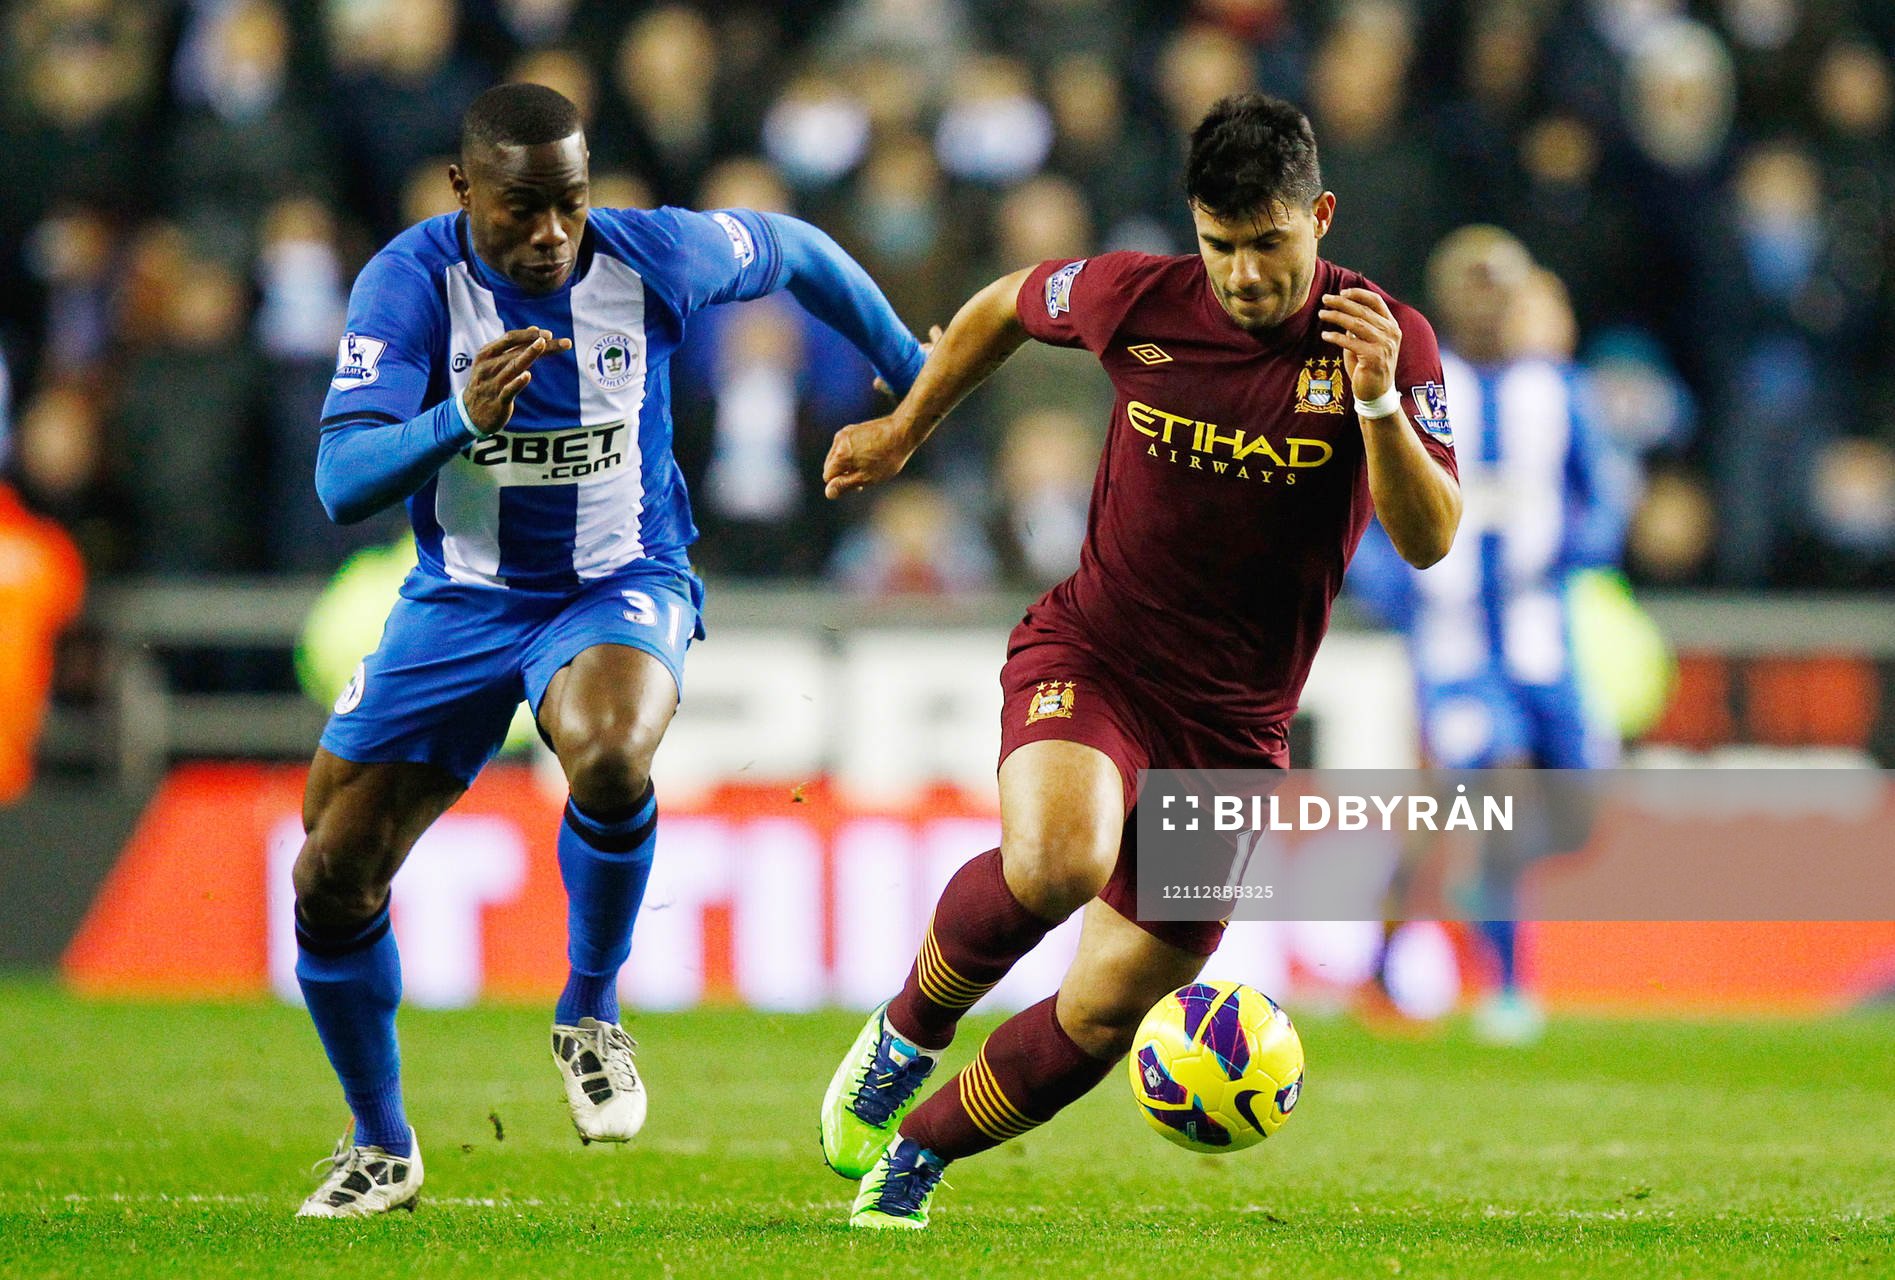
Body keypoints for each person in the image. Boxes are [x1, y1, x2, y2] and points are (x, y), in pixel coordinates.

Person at [816, 92, 1462, 1229]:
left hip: (1234, 732)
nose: (1247, 275)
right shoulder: (1134, 295)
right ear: (1192, 228)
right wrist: (908, 425)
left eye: (1269, 244)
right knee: (1060, 859)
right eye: (1222, 246)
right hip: (1097, 654)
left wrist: (1373, 407)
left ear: (1318, 216)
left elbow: (1428, 536)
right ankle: (904, 1031)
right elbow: (1002, 306)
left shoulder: (1385, 340)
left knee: (1107, 1010)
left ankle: (913, 1155)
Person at [292, 82, 923, 1217]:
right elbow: (340, 481)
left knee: (613, 752)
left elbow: (799, 250)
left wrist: (905, 369)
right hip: (462, 599)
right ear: (461, 190)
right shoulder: (407, 280)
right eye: (519, 211)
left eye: (567, 208)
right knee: (331, 875)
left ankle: (588, 1008)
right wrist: (454, 420)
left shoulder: (654, 255)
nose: (547, 236)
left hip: (619, 577)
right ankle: (381, 1143)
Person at [1347, 229, 1630, 1045]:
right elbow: (1365, 508)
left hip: (1545, 641)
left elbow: (1601, 502)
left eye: (1496, 286)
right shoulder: (1412, 394)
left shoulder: (1559, 389)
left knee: (1574, 810)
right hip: (1454, 648)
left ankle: (1397, 941)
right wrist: (1399, 588)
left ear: (1519, 293)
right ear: (1444, 301)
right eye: (1466, 287)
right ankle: (1507, 984)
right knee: (1496, 787)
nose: (1484, 302)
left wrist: (1570, 548)